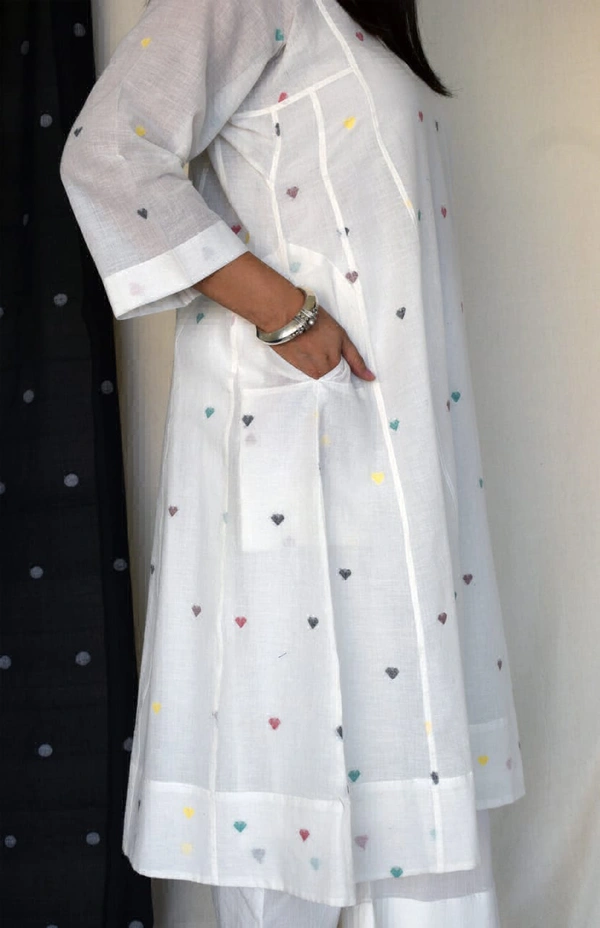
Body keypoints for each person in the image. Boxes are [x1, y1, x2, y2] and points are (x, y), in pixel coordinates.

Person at [59, 0, 526, 925]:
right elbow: (108, 151)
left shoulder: (353, 19)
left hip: (396, 456)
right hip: (295, 453)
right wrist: (284, 312)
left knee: (412, 787)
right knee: (284, 777)